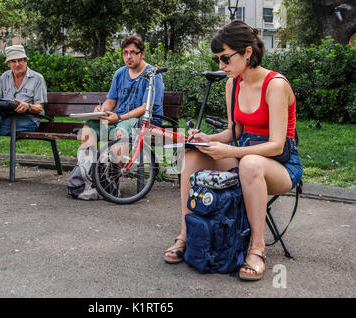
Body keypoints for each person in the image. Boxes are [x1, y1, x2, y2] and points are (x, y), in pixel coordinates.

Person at [163, 20, 303, 281]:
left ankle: (257, 250)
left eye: (225, 58)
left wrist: (229, 151)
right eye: (218, 59)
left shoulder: (276, 85)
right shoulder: (233, 84)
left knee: (249, 163)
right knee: (192, 155)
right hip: (246, 155)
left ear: (247, 52)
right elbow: (235, 133)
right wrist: (207, 138)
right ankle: (186, 235)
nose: (221, 66)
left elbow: (277, 145)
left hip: (281, 165)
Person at [0, 45, 47, 181]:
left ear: (25, 60)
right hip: (7, 117)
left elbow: (39, 108)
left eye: (20, 60)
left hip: (29, 119)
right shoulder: (4, 77)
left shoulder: (37, 78)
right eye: (13, 61)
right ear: (8, 64)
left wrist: (27, 106)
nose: (17, 64)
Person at [79, 35, 164, 150]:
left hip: (144, 121)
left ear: (142, 54)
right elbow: (110, 101)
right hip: (121, 119)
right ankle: (89, 166)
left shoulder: (153, 75)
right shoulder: (120, 74)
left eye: (133, 52)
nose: (128, 57)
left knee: (119, 132)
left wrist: (119, 119)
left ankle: (116, 168)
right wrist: (101, 111)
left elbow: (145, 108)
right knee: (89, 128)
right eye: (125, 53)